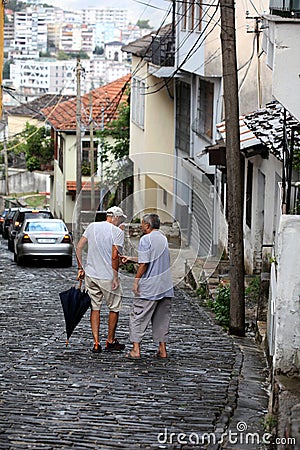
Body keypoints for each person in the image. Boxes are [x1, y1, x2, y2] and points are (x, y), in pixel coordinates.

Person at [122, 213, 174, 359]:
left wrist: (136, 281)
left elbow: (145, 263)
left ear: (147, 225)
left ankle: (136, 350)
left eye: (142, 224)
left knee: (138, 316)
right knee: (161, 319)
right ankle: (162, 350)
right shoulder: (163, 238)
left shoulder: (146, 239)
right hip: (165, 286)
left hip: (150, 286)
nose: (141, 226)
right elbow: (150, 259)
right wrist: (131, 259)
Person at [76, 206, 127, 353]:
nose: (120, 222)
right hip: (108, 277)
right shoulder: (117, 232)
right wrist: (116, 277)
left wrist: (81, 268)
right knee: (114, 308)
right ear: (116, 218)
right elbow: (114, 256)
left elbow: (79, 247)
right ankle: (110, 340)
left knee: (95, 308)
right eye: (120, 219)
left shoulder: (92, 226)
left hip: (91, 275)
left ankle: (96, 342)